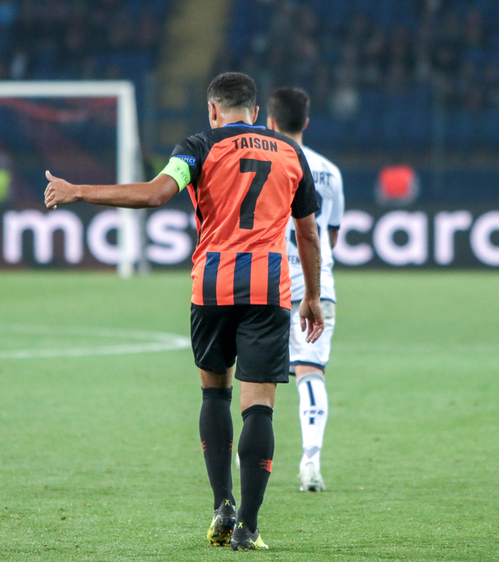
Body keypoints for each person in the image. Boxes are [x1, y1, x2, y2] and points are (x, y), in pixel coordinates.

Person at [43, 72, 325, 551]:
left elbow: (154, 194)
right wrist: (312, 296)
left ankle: (222, 505)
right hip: (268, 289)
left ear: (213, 110)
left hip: (212, 286)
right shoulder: (290, 151)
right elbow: (308, 233)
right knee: (259, 406)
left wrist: (79, 191)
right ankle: (248, 528)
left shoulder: (197, 146)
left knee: (214, 395)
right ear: (256, 113)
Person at [266, 87, 344, 493]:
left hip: (267, 283)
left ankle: (248, 455)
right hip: (317, 286)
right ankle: (311, 462)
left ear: (270, 122)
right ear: (306, 122)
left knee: (256, 374)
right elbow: (328, 236)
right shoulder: (330, 171)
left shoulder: (264, 162)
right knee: (311, 372)